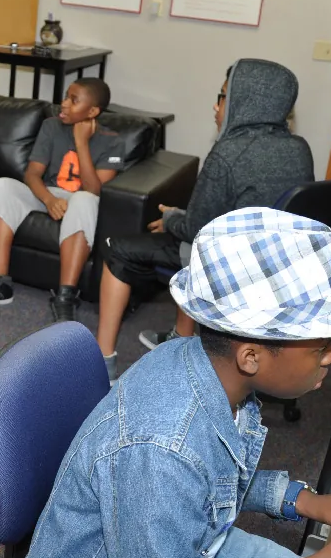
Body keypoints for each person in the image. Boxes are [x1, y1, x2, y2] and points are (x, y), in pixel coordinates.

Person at [16, 207, 331, 558]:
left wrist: (313, 502)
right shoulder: (163, 450)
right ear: (252, 356)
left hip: (189, 550)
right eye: (321, 346)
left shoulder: (211, 371)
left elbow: (209, 481)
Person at [95, 59, 313, 381]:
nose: (216, 104)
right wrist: (183, 219)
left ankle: (103, 364)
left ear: (244, 101)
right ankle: (181, 341)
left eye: (223, 96)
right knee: (189, 237)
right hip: (275, 265)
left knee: (119, 249)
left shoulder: (228, 154)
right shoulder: (299, 149)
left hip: (227, 265)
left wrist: (171, 219)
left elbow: (198, 230)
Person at [0, 78, 124, 322]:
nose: (63, 104)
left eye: (73, 101)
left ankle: (65, 296)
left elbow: (95, 189)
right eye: (65, 96)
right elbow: (32, 174)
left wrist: (81, 143)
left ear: (93, 111)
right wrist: (48, 199)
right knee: (2, 186)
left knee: (85, 200)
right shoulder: (51, 126)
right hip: (48, 193)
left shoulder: (112, 141)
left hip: (82, 200)